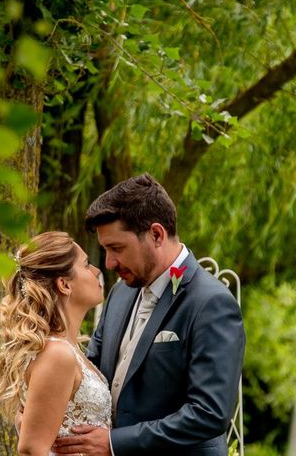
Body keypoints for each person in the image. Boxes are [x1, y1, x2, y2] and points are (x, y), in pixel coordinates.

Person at [51, 173, 245, 456]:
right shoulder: (120, 294)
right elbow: (89, 372)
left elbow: (209, 413)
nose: (110, 262)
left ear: (156, 234)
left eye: (117, 248)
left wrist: (115, 443)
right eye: (105, 250)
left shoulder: (212, 303)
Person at [0, 231, 112, 456]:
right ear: (64, 284)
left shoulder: (68, 349)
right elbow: (31, 449)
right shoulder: (58, 354)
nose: (97, 270)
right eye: (86, 265)